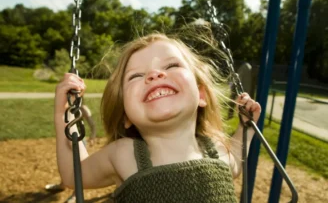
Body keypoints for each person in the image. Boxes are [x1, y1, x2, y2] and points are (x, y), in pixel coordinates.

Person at [54, 30, 261, 202]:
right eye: (136, 76)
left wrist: (246, 129)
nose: (154, 74)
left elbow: (233, 165)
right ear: (126, 115)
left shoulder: (215, 149)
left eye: (171, 66)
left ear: (201, 95)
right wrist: (64, 113)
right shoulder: (124, 155)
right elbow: (74, 175)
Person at [45, 103, 96, 203]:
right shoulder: (64, 108)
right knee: (65, 163)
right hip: (65, 140)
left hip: (79, 142)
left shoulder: (83, 108)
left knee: (79, 167)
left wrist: (93, 136)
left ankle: (75, 195)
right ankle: (62, 185)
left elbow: (92, 124)